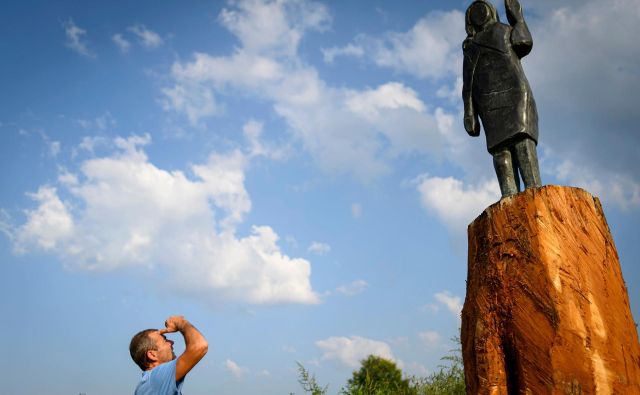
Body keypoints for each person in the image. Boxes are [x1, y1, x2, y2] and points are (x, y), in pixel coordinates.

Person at [462, 0, 542, 197]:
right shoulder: (470, 48)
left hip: (515, 94)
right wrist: (469, 112)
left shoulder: (503, 31)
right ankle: (509, 197)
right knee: (500, 150)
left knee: (522, 141)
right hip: (488, 103)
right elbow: (468, 84)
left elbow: (523, 43)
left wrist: (517, 18)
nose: (478, 14)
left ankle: (535, 192)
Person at [130, 316, 208, 395]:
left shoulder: (150, 383)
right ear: (152, 355)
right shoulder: (156, 378)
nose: (171, 342)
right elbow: (199, 346)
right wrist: (180, 322)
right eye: (165, 340)